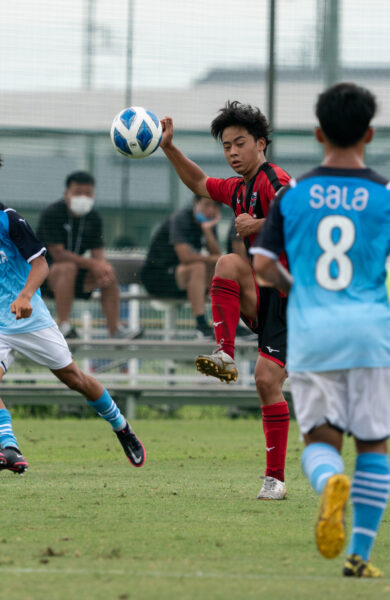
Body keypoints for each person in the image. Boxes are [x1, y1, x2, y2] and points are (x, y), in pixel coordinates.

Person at [251, 82, 390, 577]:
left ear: (317, 133)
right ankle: (359, 555)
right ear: (370, 134)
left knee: (319, 442)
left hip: (313, 334)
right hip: (372, 335)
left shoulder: (291, 196)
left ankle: (331, 481)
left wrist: (298, 286)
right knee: (374, 445)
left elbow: (264, 264)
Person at [0, 140, 145, 473]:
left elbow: (41, 265)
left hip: (30, 319)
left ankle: (121, 425)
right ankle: (11, 451)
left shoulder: (8, 220)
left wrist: (24, 296)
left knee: (75, 378)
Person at [159, 102, 292, 501]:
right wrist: (169, 148)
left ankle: (275, 479)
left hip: (297, 299)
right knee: (229, 263)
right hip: (267, 291)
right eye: (226, 146)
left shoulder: (274, 179)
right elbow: (200, 183)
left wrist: (262, 224)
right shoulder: (240, 188)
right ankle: (224, 354)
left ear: (261, 144)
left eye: (240, 144)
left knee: (268, 381)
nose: (232, 152)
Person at [37, 171, 137, 339]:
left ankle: (116, 329)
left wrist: (102, 268)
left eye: (88, 193)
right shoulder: (53, 213)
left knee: (108, 272)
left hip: (74, 278)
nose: (83, 197)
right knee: (67, 267)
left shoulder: (94, 217)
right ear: (66, 194)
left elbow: (98, 254)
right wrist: (93, 264)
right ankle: (63, 325)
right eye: (78, 193)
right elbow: (58, 254)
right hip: (44, 277)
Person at [140, 194, 221, 339]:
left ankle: (224, 323)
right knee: (198, 267)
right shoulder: (181, 218)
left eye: (215, 206)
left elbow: (217, 257)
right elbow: (185, 257)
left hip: (181, 279)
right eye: (207, 204)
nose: (211, 210)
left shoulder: (207, 225)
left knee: (220, 268)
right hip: (157, 277)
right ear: (195, 203)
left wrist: (208, 230)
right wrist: (210, 258)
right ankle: (201, 325)